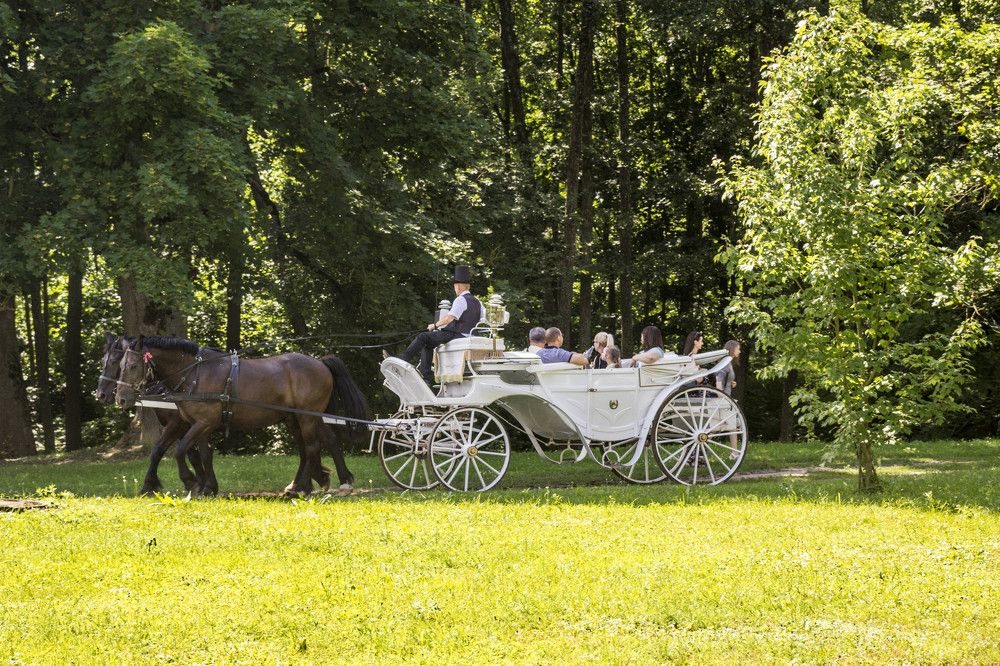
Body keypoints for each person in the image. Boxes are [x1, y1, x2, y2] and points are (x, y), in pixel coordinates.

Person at [397, 266, 483, 384]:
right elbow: (482, 320)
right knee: (428, 344)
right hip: (470, 335)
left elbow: (449, 318)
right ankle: (426, 377)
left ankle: (403, 359)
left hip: (457, 334)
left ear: (458, 286)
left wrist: (435, 325)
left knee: (423, 336)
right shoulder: (478, 302)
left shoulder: (460, 299)